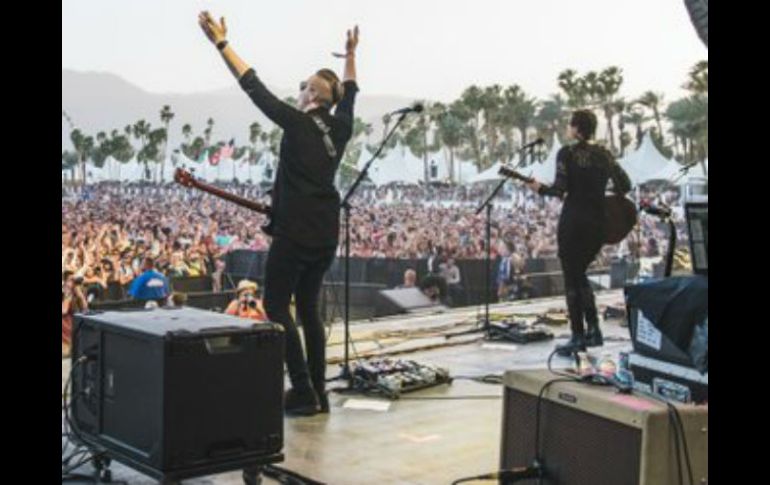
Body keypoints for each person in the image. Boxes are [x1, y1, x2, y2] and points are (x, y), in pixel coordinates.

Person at [198, 11, 360, 415]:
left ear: (312, 97)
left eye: (303, 86)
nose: (298, 90)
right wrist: (351, 55)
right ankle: (319, 392)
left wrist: (221, 44)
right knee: (308, 308)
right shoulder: (341, 128)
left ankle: (303, 388)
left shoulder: (297, 123)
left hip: (295, 233)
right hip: (325, 232)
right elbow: (352, 90)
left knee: (275, 306)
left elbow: (253, 86)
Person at [525, 110, 631, 356]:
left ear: (575, 128)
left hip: (574, 221)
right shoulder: (604, 154)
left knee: (572, 279)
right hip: (597, 223)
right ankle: (594, 330)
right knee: (580, 274)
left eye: (570, 125)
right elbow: (624, 185)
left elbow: (559, 190)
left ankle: (578, 336)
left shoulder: (567, 153)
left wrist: (537, 188)